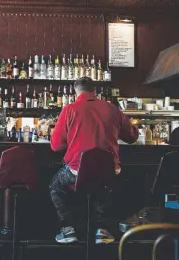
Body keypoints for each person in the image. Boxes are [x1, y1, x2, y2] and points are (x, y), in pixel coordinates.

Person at [49, 77, 139, 244]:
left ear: (76, 92)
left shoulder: (69, 109)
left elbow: (56, 146)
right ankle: (102, 230)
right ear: (95, 91)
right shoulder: (112, 109)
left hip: (76, 171)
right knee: (103, 185)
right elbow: (133, 137)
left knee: (55, 186)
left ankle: (68, 229)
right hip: (110, 171)